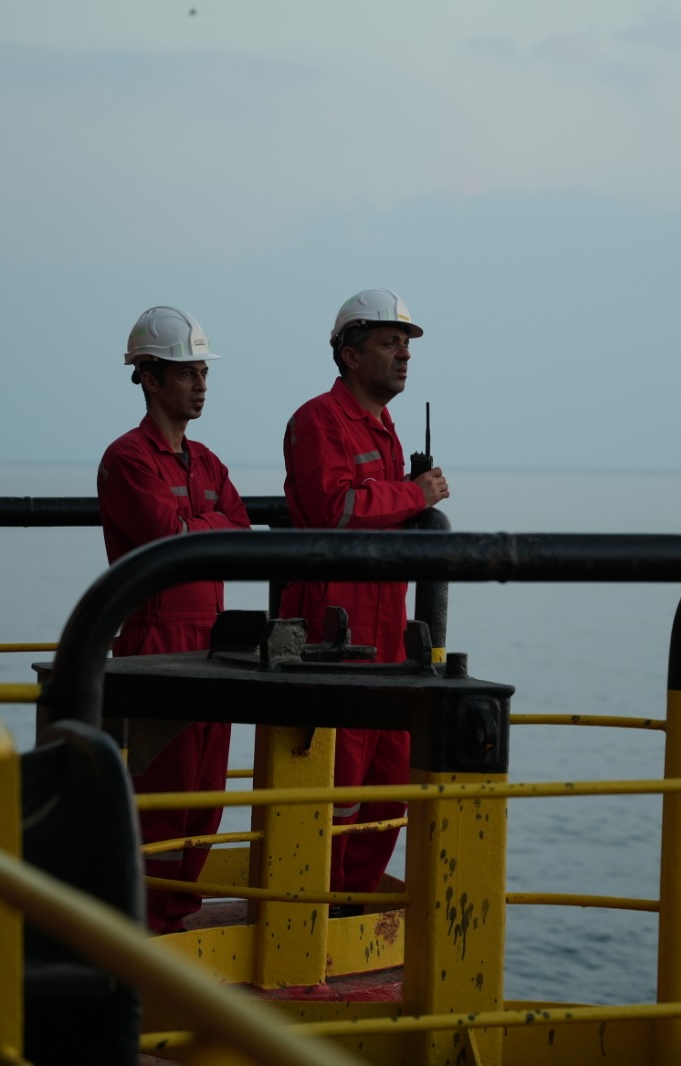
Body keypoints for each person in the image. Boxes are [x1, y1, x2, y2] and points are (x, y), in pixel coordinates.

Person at [281, 287, 450, 902]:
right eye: (389, 343)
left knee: (387, 791)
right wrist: (416, 494)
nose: (404, 355)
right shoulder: (318, 420)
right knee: (337, 791)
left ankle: (350, 913)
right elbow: (338, 508)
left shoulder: (384, 430)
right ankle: (312, 921)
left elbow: (369, 507)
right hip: (333, 634)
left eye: (405, 345)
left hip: (385, 638)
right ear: (350, 356)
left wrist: (408, 494)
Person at [98, 305, 251, 934]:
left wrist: (196, 527)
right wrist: (205, 527)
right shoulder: (128, 459)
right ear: (149, 378)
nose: (201, 384)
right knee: (160, 799)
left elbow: (239, 533)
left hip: (212, 643)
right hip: (155, 638)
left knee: (205, 799)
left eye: (203, 373)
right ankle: (143, 929)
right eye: (188, 373)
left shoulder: (206, 460)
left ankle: (176, 919)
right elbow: (168, 538)